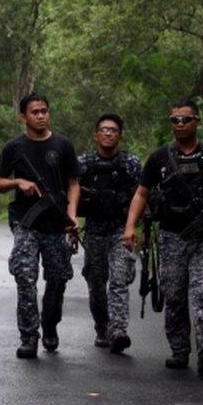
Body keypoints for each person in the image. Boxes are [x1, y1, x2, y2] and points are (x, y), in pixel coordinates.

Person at [123, 98, 203, 375]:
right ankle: (179, 349)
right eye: (174, 120)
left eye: (185, 119)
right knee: (174, 295)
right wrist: (130, 227)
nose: (179, 125)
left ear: (197, 121)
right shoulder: (159, 158)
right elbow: (142, 193)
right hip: (171, 237)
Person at [0, 93, 80, 359]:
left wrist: (72, 214)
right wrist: (19, 183)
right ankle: (29, 336)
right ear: (23, 117)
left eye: (44, 111)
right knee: (25, 278)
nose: (40, 115)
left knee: (58, 279)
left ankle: (50, 323)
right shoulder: (14, 147)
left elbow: (74, 183)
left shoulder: (63, 145)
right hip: (25, 223)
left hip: (56, 224)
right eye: (34, 112)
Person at [77, 113, 141, 354]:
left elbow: (141, 195)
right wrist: (71, 226)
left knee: (119, 280)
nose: (108, 133)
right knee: (96, 283)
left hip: (120, 230)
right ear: (96, 135)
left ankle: (118, 330)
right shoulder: (83, 163)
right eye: (103, 130)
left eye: (113, 130)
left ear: (120, 136)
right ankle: (102, 328)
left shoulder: (131, 164)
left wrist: (136, 227)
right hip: (93, 231)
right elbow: (71, 193)